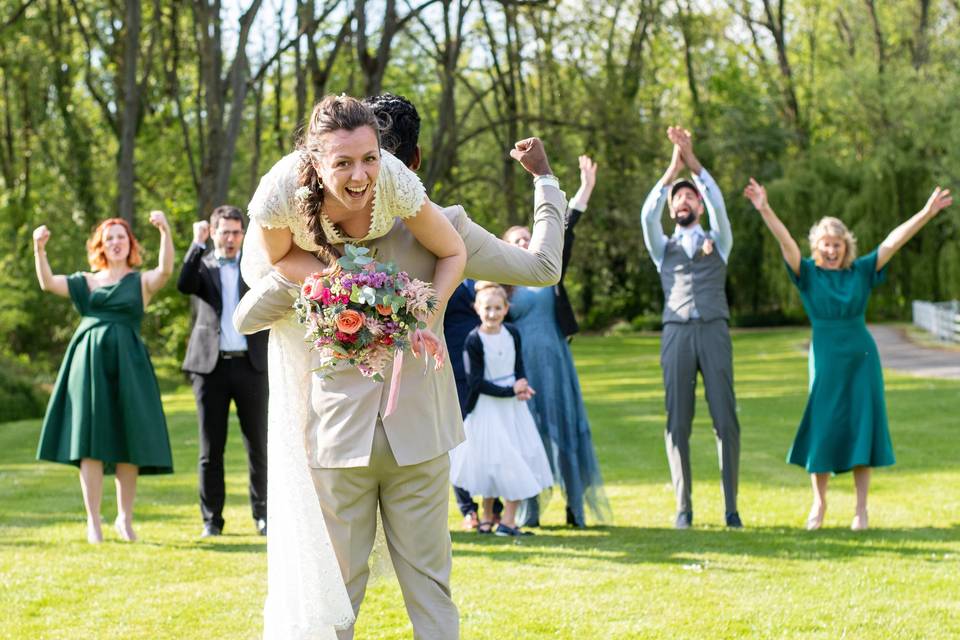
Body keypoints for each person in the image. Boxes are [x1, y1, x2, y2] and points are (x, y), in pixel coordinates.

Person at [234, 93, 567, 639]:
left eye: (371, 161)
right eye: (347, 163)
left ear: (390, 167)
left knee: (336, 597)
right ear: (414, 163)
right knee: (430, 591)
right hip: (414, 433)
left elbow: (248, 315)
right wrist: (544, 180)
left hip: (337, 434)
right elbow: (544, 266)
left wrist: (308, 280)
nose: (362, 177)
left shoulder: (302, 241)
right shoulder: (447, 228)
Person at [744, 179, 952, 530]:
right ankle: (819, 504)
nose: (831, 250)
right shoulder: (806, 274)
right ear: (817, 246)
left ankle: (861, 511)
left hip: (861, 359)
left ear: (846, 247)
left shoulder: (861, 272)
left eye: (837, 244)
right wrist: (764, 208)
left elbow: (893, 241)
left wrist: (927, 213)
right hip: (825, 357)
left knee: (861, 427)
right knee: (822, 427)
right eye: (826, 244)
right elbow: (786, 242)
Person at [33, 213, 175, 543]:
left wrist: (166, 231)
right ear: (101, 245)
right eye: (109, 238)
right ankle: (93, 521)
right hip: (89, 364)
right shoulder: (85, 281)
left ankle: (124, 520)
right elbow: (48, 283)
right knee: (90, 442)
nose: (115, 242)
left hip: (130, 365)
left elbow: (165, 270)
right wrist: (39, 249)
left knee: (129, 439)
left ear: (130, 245)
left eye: (121, 238)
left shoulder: (140, 282)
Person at [639, 126, 741, 530]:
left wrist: (693, 162)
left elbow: (719, 204)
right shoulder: (662, 248)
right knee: (677, 422)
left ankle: (731, 508)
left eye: (689, 195)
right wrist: (671, 169)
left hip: (714, 330)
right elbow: (647, 214)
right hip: (676, 332)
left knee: (725, 419)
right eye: (677, 196)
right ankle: (684, 508)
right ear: (671, 206)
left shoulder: (720, 239)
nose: (683, 200)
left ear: (698, 203)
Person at [504, 154, 611, 529]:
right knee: (528, 440)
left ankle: (575, 509)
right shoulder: (501, 284)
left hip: (556, 362)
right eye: (514, 239)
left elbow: (567, 226)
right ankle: (530, 512)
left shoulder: (550, 272)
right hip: (523, 370)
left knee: (566, 433)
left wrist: (585, 188)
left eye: (526, 236)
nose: (523, 240)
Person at [177, 205, 269, 538]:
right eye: (224, 232)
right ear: (214, 233)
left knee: (258, 445)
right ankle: (212, 520)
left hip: (251, 365)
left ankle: (263, 516)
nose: (230, 239)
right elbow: (183, 285)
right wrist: (196, 243)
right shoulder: (202, 265)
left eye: (235, 232)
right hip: (209, 368)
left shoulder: (254, 266)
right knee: (210, 449)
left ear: (243, 235)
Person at [449, 282, 553, 537]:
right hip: (488, 407)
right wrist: (510, 391)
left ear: (507, 309)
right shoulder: (474, 339)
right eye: (487, 309)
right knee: (490, 460)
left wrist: (522, 383)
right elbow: (476, 382)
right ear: (477, 309)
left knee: (518, 456)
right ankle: (486, 517)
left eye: (498, 308)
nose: (493, 314)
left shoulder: (512, 334)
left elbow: (519, 365)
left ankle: (508, 520)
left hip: (513, 410)